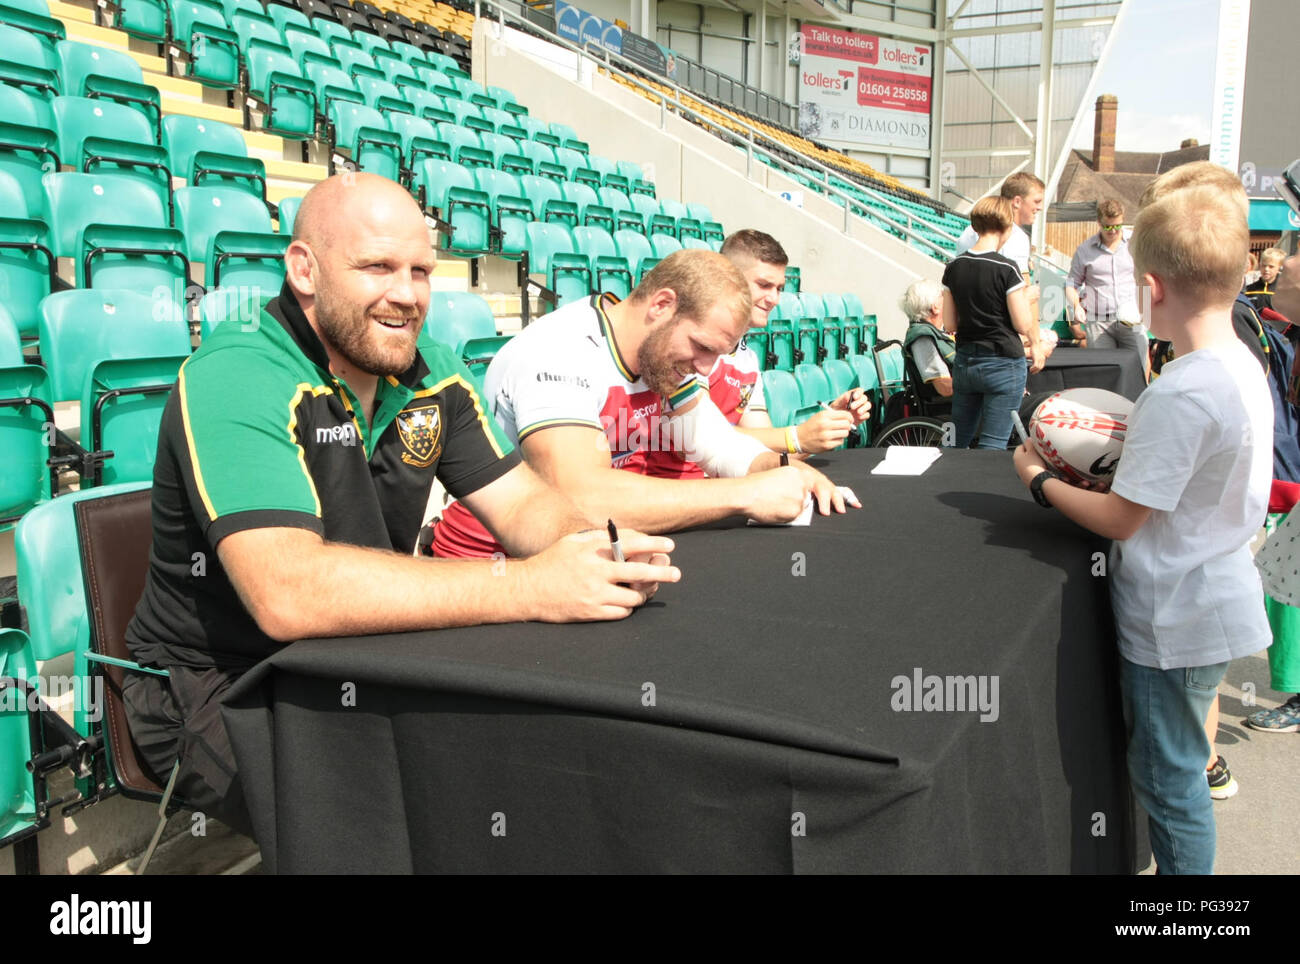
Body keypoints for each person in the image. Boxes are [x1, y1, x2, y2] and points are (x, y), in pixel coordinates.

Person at [122, 173, 679, 834]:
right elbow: (288, 594)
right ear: (304, 269)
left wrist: (587, 548)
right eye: (377, 267)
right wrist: (530, 585)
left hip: (362, 650)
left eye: (421, 271)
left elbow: (524, 504)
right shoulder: (236, 372)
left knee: (524, 765)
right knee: (382, 819)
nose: (407, 295)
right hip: (214, 682)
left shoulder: (433, 369)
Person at [1012, 181, 1272, 873]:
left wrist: (1036, 477)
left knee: (1170, 784)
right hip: (1208, 598)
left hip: (1176, 616)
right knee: (1175, 775)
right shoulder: (1238, 365)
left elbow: (1122, 520)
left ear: (1150, 288)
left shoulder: (1184, 390)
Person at [432, 249, 855, 558]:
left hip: (584, 556)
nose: (707, 370)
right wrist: (745, 495)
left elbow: (717, 445)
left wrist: (782, 469)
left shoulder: (661, 359)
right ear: (662, 305)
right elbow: (581, 496)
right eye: (702, 347)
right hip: (492, 564)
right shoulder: (558, 351)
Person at [679, 229, 870, 466]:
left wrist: (830, 421)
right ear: (727, 280)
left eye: (779, 288)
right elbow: (707, 435)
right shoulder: (695, 346)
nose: (774, 299)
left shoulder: (747, 359)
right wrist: (797, 436)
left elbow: (766, 453)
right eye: (764, 285)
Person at [943, 196, 1044, 449]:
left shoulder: (953, 267)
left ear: (975, 227)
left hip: (966, 362)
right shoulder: (1007, 269)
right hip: (1003, 363)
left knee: (955, 441)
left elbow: (949, 324)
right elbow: (1022, 324)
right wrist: (1027, 296)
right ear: (1007, 228)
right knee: (993, 445)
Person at [1066, 199, 1145, 376]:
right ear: (1099, 223)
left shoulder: (1135, 242)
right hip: (1099, 322)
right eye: (1108, 227)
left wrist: (1146, 308)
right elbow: (1071, 284)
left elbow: (1149, 274)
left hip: (1131, 319)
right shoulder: (1085, 250)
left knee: (1138, 367)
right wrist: (1076, 306)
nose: (1113, 231)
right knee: (1102, 371)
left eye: (1117, 226)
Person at [898, 278, 954, 406]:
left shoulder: (938, 333)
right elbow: (945, 388)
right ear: (935, 307)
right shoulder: (922, 338)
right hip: (946, 411)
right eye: (943, 296)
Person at [1244, 247, 1286, 313]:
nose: (1266, 269)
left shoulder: (1285, 290)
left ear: (1280, 267)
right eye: (1263, 265)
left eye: (1271, 266)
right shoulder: (1248, 290)